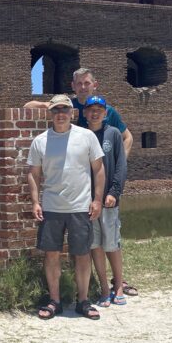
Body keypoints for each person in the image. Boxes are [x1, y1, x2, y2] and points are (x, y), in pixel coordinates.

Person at [24, 67, 139, 296]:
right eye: (79, 84)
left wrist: (117, 165)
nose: (83, 87)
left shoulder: (107, 110)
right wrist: (42, 104)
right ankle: (100, 284)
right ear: (73, 87)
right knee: (92, 241)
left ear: (94, 85)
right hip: (78, 189)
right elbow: (28, 106)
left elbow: (127, 137)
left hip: (102, 185)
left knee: (109, 237)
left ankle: (119, 282)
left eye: (87, 83)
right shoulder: (70, 107)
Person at [27, 94, 106, 320]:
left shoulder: (87, 137)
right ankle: (55, 301)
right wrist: (35, 201)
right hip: (52, 207)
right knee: (51, 255)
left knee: (82, 255)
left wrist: (97, 199)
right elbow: (33, 174)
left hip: (81, 207)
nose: (60, 113)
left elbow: (98, 169)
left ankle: (83, 301)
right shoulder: (40, 141)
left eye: (65, 109)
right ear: (50, 113)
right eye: (56, 110)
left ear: (72, 112)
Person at [83, 96, 128, 307]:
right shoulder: (81, 135)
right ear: (85, 113)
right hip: (87, 201)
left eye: (99, 109)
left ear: (105, 112)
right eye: (91, 109)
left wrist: (114, 192)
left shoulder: (113, 134)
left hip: (109, 200)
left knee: (112, 244)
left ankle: (118, 285)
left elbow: (120, 165)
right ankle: (103, 287)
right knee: (95, 245)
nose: (95, 113)